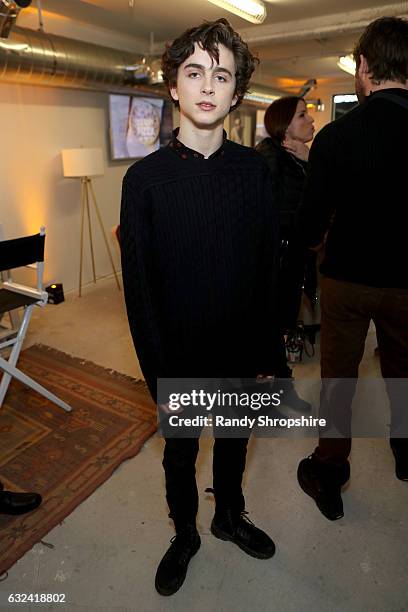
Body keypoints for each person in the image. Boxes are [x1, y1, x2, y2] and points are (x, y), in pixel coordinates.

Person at [120, 18, 279, 596]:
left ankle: (228, 515)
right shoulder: (145, 181)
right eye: (194, 73)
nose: (207, 86)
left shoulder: (255, 172)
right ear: (173, 87)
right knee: (180, 457)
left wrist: (268, 352)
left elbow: (268, 270)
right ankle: (185, 532)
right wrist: (156, 372)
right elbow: (139, 288)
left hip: (241, 349)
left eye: (221, 75)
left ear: (236, 93)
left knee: (235, 442)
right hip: (178, 353)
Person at [296, 16, 408, 521]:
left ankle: (330, 469)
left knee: (339, 378)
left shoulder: (337, 137)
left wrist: (314, 242)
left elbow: (312, 224)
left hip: (345, 280)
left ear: (364, 67)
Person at [256, 97, 315, 396]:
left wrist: (310, 162)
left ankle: (278, 381)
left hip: (292, 255)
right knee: (269, 327)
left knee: (280, 325)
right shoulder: (269, 157)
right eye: (303, 115)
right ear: (284, 125)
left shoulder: (296, 155)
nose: (311, 120)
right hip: (275, 258)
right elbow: (268, 212)